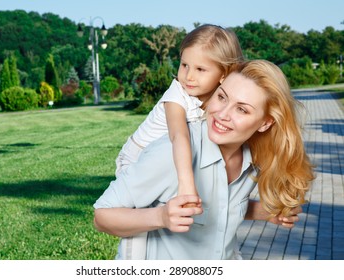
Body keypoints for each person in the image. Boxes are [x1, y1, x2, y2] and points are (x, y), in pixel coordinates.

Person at [93, 60, 315, 260]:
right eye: (221, 97)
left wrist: (266, 212)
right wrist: (160, 216)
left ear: (265, 123)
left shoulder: (252, 160)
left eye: (241, 109)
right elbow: (102, 216)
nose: (222, 113)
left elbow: (218, 206)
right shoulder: (173, 152)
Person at [115, 24, 243, 204]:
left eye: (200, 69)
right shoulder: (176, 94)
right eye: (184, 65)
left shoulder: (220, 98)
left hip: (168, 158)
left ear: (224, 74)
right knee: (141, 212)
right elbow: (179, 136)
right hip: (137, 158)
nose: (188, 76)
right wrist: (186, 184)